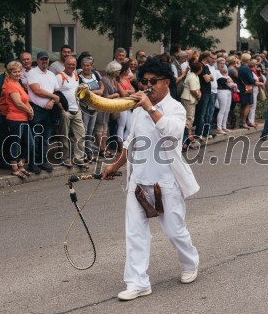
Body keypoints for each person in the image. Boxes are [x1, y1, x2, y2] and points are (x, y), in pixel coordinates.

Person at [103, 57, 200, 301]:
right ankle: (137, 282)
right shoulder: (138, 110)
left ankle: (190, 263)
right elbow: (130, 142)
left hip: (166, 181)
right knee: (135, 233)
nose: (148, 86)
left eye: (153, 81)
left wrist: (149, 107)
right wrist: (115, 165)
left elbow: (172, 132)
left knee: (175, 231)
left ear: (167, 81)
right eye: (144, 82)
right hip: (138, 181)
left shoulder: (175, 108)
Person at [27, 51, 61, 172]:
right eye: (42, 59)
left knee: (45, 137)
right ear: (38, 60)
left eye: (46, 59)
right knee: (35, 137)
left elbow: (57, 91)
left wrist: (52, 101)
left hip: (49, 110)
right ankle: (33, 163)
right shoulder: (32, 73)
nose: (45, 61)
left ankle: (42, 161)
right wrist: (53, 97)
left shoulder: (52, 74)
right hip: (36, 110)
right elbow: (36, 90)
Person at [3, 61, 36, 178]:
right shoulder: (11, 85)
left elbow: (25, 100)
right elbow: (18, 103)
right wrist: (29, 111)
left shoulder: (19, 84)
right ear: (9, 73)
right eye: (14, 72)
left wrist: (30, 110)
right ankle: (14, 167)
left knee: (30, 144)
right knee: (15, 143)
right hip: (15, 118)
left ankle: (21, 164)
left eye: (18, 71)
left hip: (23, 118)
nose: (17, 73)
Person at [56, 55, 87, 168]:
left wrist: (79, 105)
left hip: (76, 110)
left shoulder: (76, 77)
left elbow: (78, 92)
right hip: (65, 110)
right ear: (64, 64)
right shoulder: (59, 77)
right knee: (65, 135)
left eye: (73, 64)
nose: (71, 66)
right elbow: (56, 94)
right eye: (69, 64)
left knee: (81, 134)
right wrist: (61, 108)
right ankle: (65, 158)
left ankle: (78, 158)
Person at [78, 57, 104, 161]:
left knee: (90, 131)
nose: (86, 67)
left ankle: (89, 152)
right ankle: (83, 153)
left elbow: (102, 88)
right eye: (84, 65)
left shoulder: (95, 75)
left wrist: (97, 92)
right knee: (83, 131)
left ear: (91, 66)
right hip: (85, 108)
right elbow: (82, 94)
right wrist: (97, 92)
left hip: (94, 107)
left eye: (88, 65)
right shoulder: (79, 78)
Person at [94, 61, 121, 158]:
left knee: (105, 129)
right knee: (99, 129)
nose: (119, 72)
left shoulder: (114, 80)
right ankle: (101, 149)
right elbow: (103, 97)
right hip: (101, 107)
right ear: (114, 71)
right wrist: (114, 95)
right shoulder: (105, 80)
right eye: (118, 70)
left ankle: (104, 148)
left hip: (108, 108)